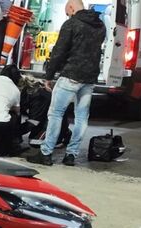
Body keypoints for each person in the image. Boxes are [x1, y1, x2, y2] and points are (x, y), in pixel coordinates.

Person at [27, 0, 105, 166]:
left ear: (71, 8)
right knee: (82, 117)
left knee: (56, 113)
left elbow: (59, 51)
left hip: (71, 75)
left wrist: (49, 76)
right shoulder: (100, 25)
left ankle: (46, 153)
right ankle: (71, 155)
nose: (68, 15)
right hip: (89, 78)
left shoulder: (71, 24)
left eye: (67, 12)